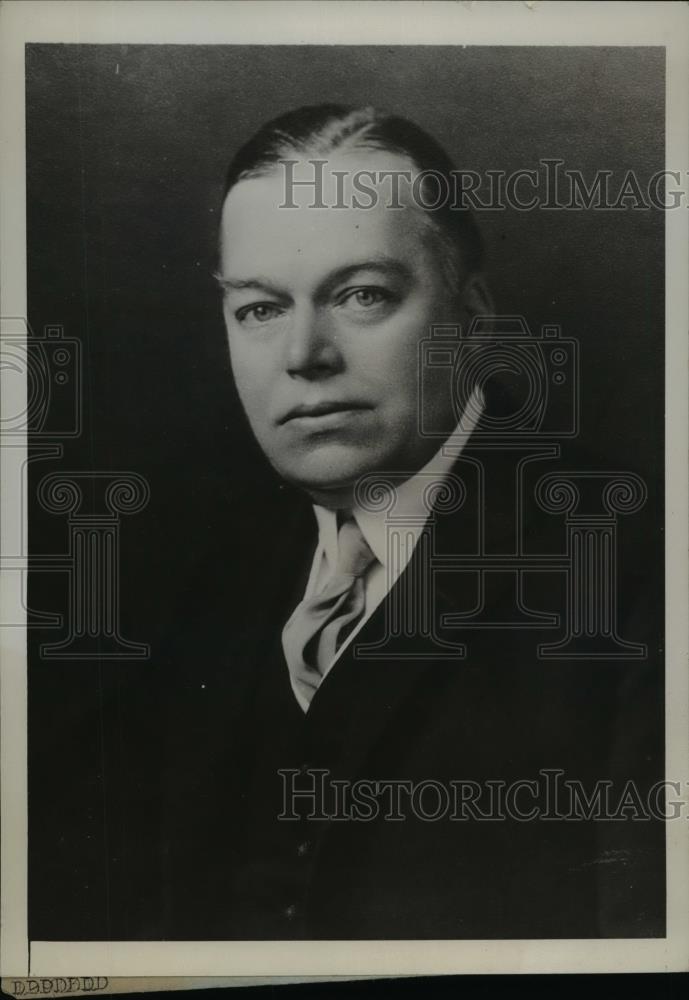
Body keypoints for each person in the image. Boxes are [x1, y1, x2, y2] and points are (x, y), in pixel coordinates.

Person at [155, 105, 663, 940]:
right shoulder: (207, 573)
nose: (302, 354)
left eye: (360, 295)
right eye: (258, 309)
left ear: (472, 312)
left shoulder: (637, 568)